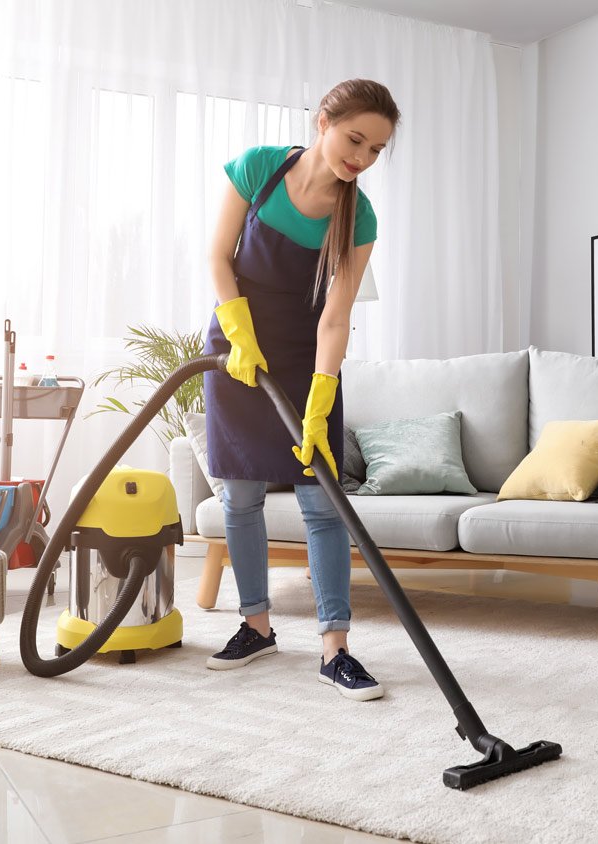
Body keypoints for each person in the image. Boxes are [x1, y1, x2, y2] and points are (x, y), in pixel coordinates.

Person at [201, 79, 399, 702]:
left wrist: (320, 397)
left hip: (303, 354)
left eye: (376, 150)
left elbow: (336, 316)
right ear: (323, 122)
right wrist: (237, 332)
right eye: (355, 139)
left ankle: (335, 648)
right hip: (237, 344)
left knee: (323, 503)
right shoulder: (260, 168)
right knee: (239, 497)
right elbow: (216, 256)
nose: (361, 158)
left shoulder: (357, 215)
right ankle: (255, 626)